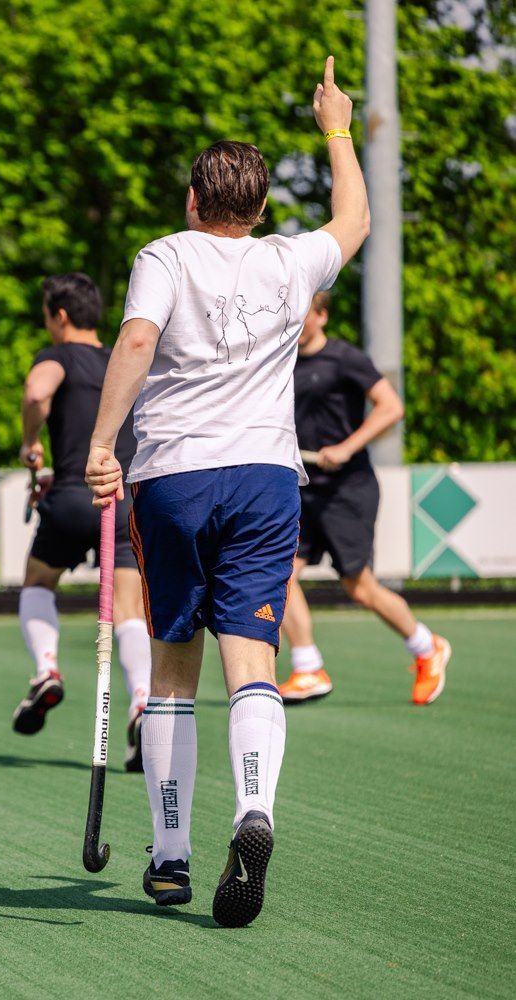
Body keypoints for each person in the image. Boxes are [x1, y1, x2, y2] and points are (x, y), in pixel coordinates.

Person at [84, 58, 370, 927]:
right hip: (264, 478)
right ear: (261, 205)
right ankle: (255, 810)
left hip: (174, 476)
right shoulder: (292, 260)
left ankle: (170, 854)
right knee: (255, 662)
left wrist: (101, 445)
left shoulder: (165, 255)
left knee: (174, 665)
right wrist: (336, 126)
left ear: (192, 199)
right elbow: (355, 218)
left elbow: (136, 342)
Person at [11, 273, 151, 772]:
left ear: (61, 316)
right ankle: (141, 702)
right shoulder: (120, 360)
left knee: (38, 581)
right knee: (129, 610)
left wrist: (31, 442)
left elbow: (36, 392)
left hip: (75, 495)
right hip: (125, 500)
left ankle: (47, 670)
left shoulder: (58, 356)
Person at [280, 292, 451, 704]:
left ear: (322, 315)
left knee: (360, 588)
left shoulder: (345, 359)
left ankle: (427, 647)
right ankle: (308, 667)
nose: (295, 321)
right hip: (302, 489)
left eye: (303, 314)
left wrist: (347, 447)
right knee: (278, 576)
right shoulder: (281, 361)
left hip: (347, 490)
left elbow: (391, 407)